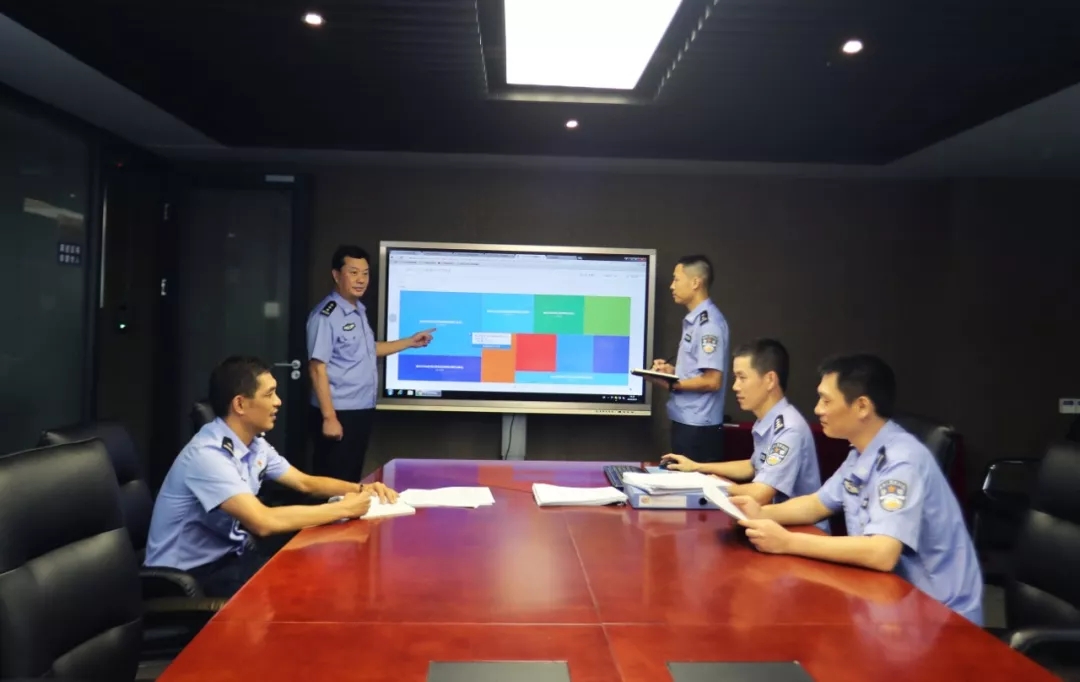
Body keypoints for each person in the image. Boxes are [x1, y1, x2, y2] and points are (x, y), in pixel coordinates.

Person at [730, 354, 983, 625]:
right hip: (890, 599)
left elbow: (881, 553)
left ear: (862, 406)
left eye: (826, 400)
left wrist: (787, 542)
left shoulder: (901, 461)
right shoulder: (861, 452)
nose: (817, 409)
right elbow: (816, 504)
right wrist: (761, 513)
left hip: (940, 617)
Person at [144, 356, 399, 598]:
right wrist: (343, 508)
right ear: (240, 404)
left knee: (318, 572)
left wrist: (362, 490)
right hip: (188, 578)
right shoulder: (208, 455)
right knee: (304, 593)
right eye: (269, 394)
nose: (278, 402)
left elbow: (305, 483)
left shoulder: (254, 444)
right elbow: (262, 521)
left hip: (231, 558)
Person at [661, 339, 825, 530]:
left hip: (804, 532)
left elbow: (761, 493)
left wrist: (713, 485)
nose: (735, 386)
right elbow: (753, 466)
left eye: (742, 378)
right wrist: (697, 467)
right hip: (777, 525)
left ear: (770, 380)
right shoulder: (769, 419)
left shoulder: (789, 428)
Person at [307, 245, 434, 482]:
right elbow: (316, 368)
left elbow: (368, 350)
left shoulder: (357, 310)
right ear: (336, 275)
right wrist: (329, 417)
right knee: (333, 481)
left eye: (365, 273)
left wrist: (410, 342)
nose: (361, 280)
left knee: (350, 478)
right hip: (339, 412)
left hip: (360, 410)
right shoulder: (326, 315)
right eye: (353, 272)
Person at [649, 254, 730, 462]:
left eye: (676, 279)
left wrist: (673, 384)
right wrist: (670, 372)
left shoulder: (708, 325)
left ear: (695, 282)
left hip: (699, 429)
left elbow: (712, 381)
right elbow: (696, 370)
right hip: (687, 423)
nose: (671, 286)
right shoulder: (695, 321)